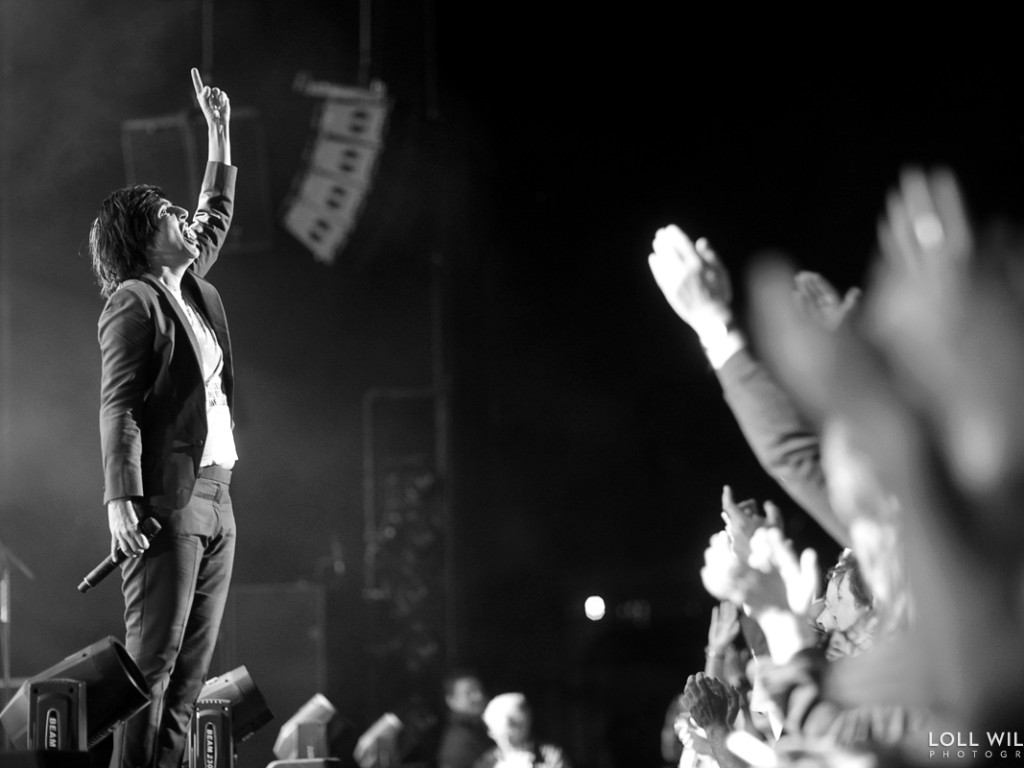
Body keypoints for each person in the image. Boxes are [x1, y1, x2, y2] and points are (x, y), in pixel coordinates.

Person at [89, 68, 237, 768]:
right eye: (170, 215)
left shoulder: (191, 287)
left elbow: (216, 216)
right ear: (145, 239)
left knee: (189, 679)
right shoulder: (134, 301)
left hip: (217, 497)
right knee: (152, 669)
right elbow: (117, 403)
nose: (188, 220)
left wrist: (219, 131)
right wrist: (120, 499)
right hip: (167, 502)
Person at [477, 693, 570, 768]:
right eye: (501, 734)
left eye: (513, 729)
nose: (508, 738)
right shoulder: (486, 762)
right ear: (491, 732)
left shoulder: (550, 756)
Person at [438, 670, 493, 768]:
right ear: (451, 700)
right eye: (470, 693)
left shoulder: (483, 729)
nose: (479, 696)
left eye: (480, 690)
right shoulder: (457, 741)